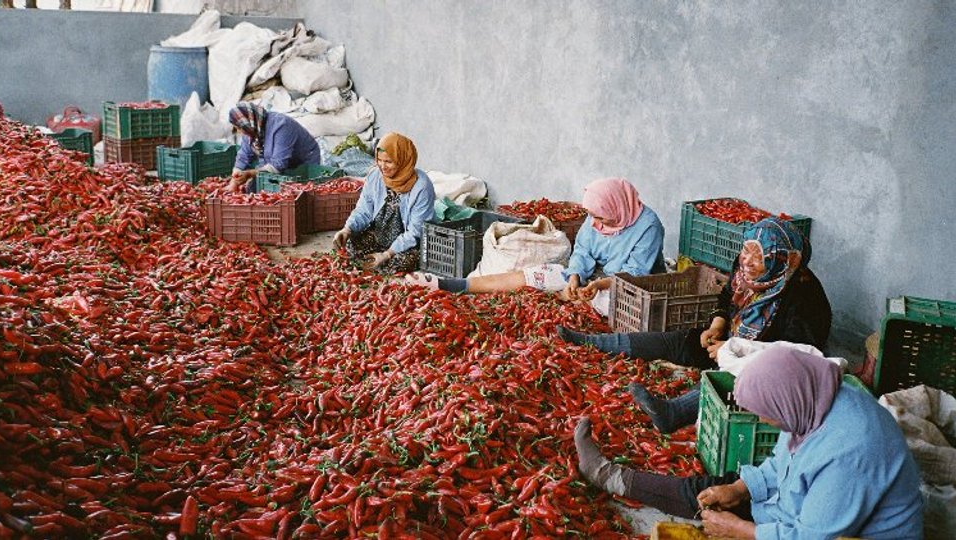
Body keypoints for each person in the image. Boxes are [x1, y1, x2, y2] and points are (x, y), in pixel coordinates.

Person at [573, 346, 924, 539]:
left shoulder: (851, 451)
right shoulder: (812, 399)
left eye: (765, 414)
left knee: (721, 521)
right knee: (712, 490)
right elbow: (780, 463)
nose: (763, 421)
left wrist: (745, 531)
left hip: (842, 534)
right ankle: (606, 475)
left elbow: (814, 536)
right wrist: (741, 489)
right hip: (800, 510)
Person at [558, 217, 831, 433]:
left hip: (767, 367)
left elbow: (794, 356)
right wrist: (717, 325)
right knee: (677, 340)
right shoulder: (747, 270)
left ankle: (673, 413)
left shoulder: (806, 299)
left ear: (782, 259)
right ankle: (595, 341)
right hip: (728, 341)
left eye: (757, 257)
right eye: (746, 250)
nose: (746, 261)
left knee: (737, 379)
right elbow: (727, 297)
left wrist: (736, 350)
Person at [404, 178, 665, 316]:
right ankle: (456, 285)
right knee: (537, 273)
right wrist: (575, 275)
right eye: (592, 217)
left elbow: (636, 274)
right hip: (591, 277)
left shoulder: (648, 226)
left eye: (600, 218)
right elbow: (583, 250)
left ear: (616, 206)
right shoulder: (597, 214)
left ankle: (564, 299)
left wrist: (596, 286)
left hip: (627, 286)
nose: (595, 223)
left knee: (618, 306)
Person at [332, 132, 435, 274]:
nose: (382, 166)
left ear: (402, 160)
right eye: (379, 160)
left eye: (388, 161)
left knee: (403, 262)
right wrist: (347, 229)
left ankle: (382, 259)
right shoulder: (375, 176)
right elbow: (364, 210)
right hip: (379, 236)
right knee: (350, 244)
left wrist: (387, 254)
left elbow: (415, 232)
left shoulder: (422, 186)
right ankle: (377, 260)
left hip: (408, 244)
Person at [227, 103, 322, 193]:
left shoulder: (281, 126)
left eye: (239, 128)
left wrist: (249, 174)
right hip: (277, 164)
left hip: (302, 164)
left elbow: (278, 164)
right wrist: (234, 182)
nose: (239, 132)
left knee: (297, 193)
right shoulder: (251, 128)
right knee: (255, 189)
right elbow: (244, 155)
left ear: (248, 123)